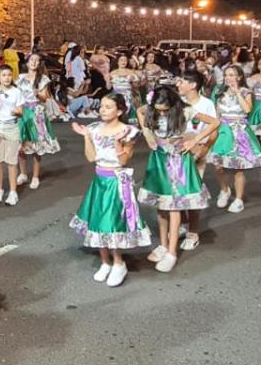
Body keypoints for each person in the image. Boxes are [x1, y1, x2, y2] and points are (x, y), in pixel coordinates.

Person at [70, 93, 150, 287]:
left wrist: (117, 142)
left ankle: (119, 263)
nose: (102, 110)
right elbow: (91, 158)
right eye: (102, 106)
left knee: (111, 222)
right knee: (97, 221)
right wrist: (87, 137)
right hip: (99, 180)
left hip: (116, 182)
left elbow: (123, 160)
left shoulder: (129, 131)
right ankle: (105, 261)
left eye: (108, 107)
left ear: (120, 111)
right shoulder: (94, 128)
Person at [138, 82, 215, 272]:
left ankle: (172, 252)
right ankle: (163, 245)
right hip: (159, 159)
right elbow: (140, 113)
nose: (161, 114)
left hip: (178, 160)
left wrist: (194, 140)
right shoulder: (150, 108)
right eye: (158, 111)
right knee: (161, 204)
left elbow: (215, 122)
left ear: (173, 104)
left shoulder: (186, 111)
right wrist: (148, 133)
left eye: (165, 111)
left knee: (174, 206)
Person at [208, 65, 261, 213]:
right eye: (226, 75)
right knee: (218, 166)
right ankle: (224, 190)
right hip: (223, 131)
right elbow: (217, 115)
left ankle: (238, 199)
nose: (228, 78)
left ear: (239, 77)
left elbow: (248, 109)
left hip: (239, 132)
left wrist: (237, 93)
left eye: (232, 75)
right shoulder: (220, 92)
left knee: (238, 168)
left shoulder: (245, 92)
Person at [16, 55, 60, 190]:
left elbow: (45, 97)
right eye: (31, 60)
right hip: (23, 112)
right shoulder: (20, 78)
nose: (34, 62)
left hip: (36, 112)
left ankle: (35, 176)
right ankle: (23, 173)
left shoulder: (43, 79)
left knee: (37, 144)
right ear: (27, 63)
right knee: (21, 143)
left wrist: (37, 94)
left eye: (36, 61)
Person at [0, 65, 24, 206]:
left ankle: (13, 192)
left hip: (11, 127)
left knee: (12, 161)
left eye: (9, 75)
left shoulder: (17, 92)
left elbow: (21, 111)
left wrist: (16, 112)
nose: (7, 78)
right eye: (4, 75)